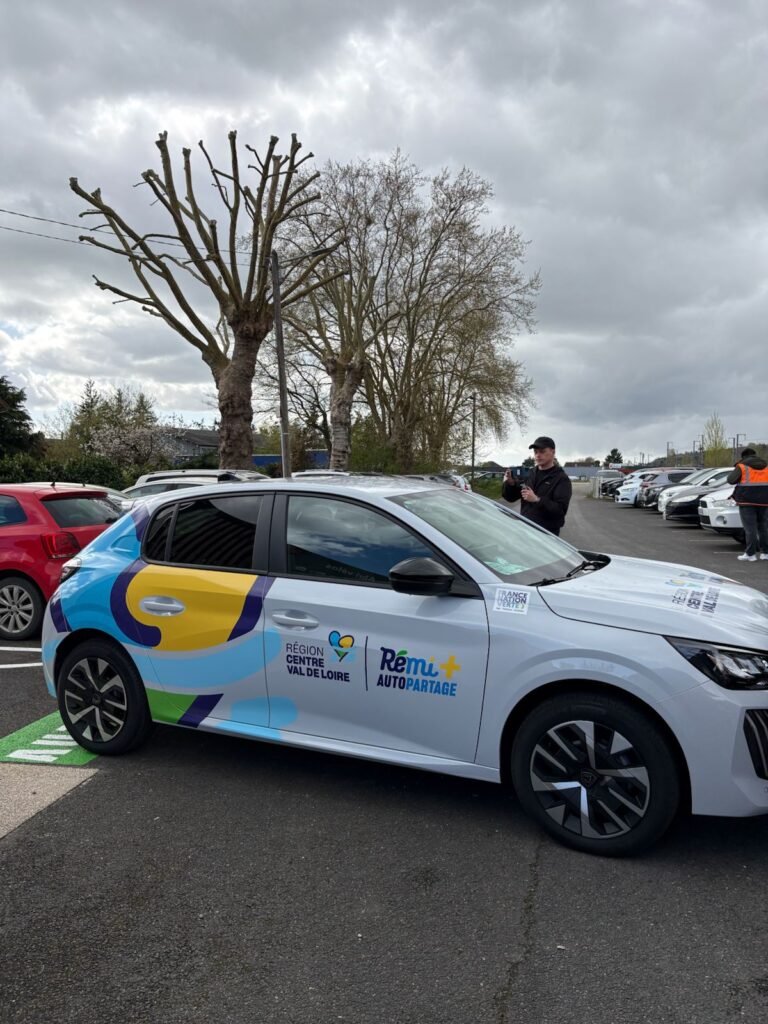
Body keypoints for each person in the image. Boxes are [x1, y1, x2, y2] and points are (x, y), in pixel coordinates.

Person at [502, 436, 572, 535]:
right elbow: (510, 498)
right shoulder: (530, 474)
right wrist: (511, 484)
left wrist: (537, 500)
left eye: (542, 451)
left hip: (547, 534)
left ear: (553, 452)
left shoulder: (561, 478)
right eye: (536, 452)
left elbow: (560, 511)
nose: (538, 455)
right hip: (526, 530)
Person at [726, 447, 768, 562]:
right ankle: (765, 553)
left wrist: (737, 467)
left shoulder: (742, 466)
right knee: (763, 527)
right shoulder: (766, 466)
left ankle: (751, 554)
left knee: (750, 528)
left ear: (743, 456)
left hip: (747, 501)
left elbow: (730, 480)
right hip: (765, 501)